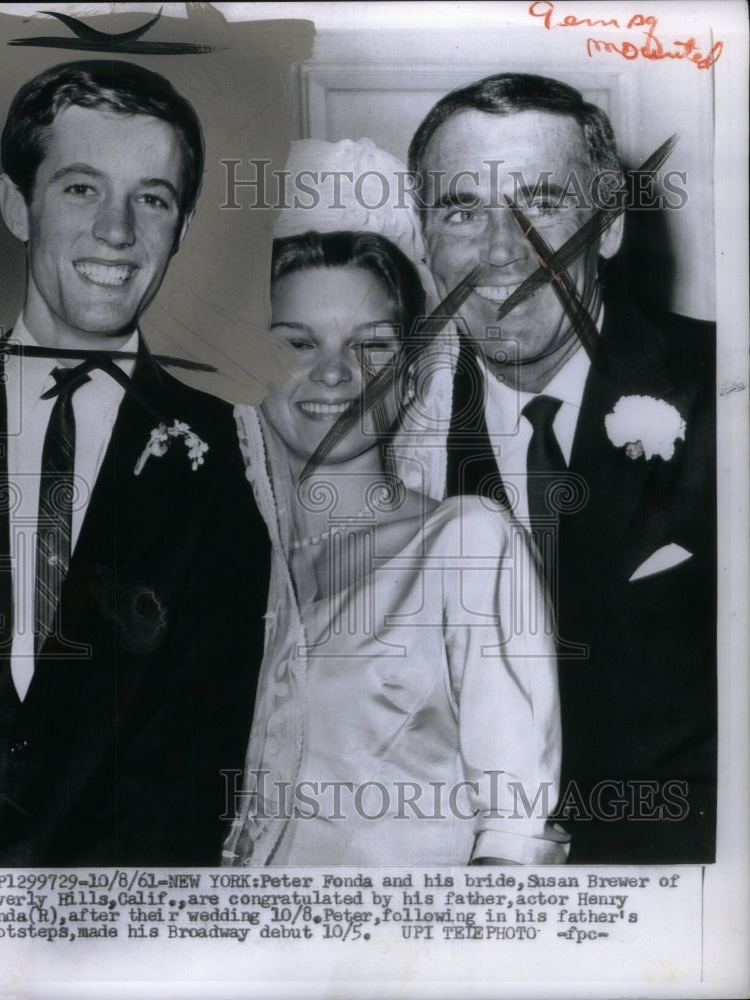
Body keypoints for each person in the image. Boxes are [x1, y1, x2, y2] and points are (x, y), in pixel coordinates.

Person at [0, 60, 270, 866]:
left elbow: (214, 758)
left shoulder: (241, 458)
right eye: (81, 189)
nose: (119, 232)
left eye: (153, 199)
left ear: (181, 224)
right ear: (15, 206)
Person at [403, 72, 716, 862]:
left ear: (607, 227)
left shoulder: (727, 391)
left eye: (540, 202)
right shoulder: (384, 437)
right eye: (463, 210)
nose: (502, 252)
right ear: (422, 236)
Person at [223, 230, 569, 866]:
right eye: (298, 343)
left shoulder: (466, 543)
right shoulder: (223, 564)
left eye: (372, 346)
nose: (335, 372)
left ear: (411, 377)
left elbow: (516, 831)